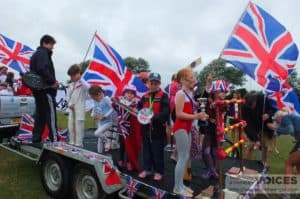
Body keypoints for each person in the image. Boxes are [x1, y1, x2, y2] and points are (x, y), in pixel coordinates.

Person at [172, 67, 208, 197]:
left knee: (185, 157)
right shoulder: (180, 94)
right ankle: (177, 187)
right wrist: (196, 117)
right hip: (180, 128)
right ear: (182, 80)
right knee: (182, 158)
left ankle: (180, 185)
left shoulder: (189, 93)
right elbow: (179, 114)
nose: (194, 79)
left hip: (186, 128)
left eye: (193, 76)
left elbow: (190, 112)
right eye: (191, 76)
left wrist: (200, 115)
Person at [138, 72, 170, 181]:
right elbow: (139, 110)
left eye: (156, 83)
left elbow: (166, 112)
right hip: (145, 129)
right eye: (152, 83)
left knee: (157, 151)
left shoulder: (164, 96)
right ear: (148, 83)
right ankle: (147, 169)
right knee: (146, 151)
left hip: (158, 129)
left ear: (159, 84)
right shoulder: (144, 97)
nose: (153, 85)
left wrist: (154, 118)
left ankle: (159, 171)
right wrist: (140, 114)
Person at [30, 35, 58, 144]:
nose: (52, 47)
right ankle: (54, 139)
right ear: (45, 43)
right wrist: (52, 82)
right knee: (50, 114)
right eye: (52, 44)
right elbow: (43, 69)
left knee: (40, 115)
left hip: (38, 90)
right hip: (46, 89)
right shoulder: (43, 53)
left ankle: (36, 138)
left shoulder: (35, 55)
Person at [201, 80, 230, 179]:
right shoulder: (208, 101)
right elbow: (204, 109)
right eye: (218, 91)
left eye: (223, 91)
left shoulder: (224, 103)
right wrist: (209, 117)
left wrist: (219, 103)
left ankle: (213, 170)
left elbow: (224, 108)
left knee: (214, 152)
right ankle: (211, 170)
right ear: (213, 92)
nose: (221, 93)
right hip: (209, 130)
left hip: (219, 132)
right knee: (206, 152)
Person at [241, 92, 276, 168]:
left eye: (253, 105)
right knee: (251, 145)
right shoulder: (244, 107)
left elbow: (272, 109)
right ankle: (247, 163)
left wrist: (268, 114)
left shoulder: (263, 99)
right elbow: (248, 125)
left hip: (265, 125)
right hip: (253, 125)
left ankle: (263, 161)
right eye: (249, 106)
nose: (252, 108)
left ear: (255, 100)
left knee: (265, 146)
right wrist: (255, 139)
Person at [113, 85, 141, 171]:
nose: (130, 95)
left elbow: (138, 114)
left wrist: (136, 110)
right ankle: (121, 160)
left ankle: (129, 162)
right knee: (122, 145)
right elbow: (115, 107)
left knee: (130, 145)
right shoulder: (119, 101)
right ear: (124, 94)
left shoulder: (136, 103)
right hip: (122, 126)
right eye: (128, 93)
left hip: (130, 127)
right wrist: (114, 102)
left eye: (132, 93)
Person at [274, 110, 300, 197]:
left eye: (276, 120)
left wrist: (275, 128)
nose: (277, 122)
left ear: (279, 117)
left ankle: (286, 192)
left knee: (289, 163)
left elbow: (290, 129)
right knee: (298, 165)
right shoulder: (293, 117)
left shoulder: (285, 117)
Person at [89, 85, 115, 153]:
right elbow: (94, 109)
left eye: (95, 97)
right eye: (93, 98)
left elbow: (112, 108)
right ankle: (99, 153)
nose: (94, 99)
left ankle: (108, 141)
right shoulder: (95, 100)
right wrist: (92, 115)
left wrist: (105, 116)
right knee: (100, 139)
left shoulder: (106, 99)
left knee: (97, 133)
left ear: (100, 93)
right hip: (100, 122)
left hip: (108, 122)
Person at [66, 64, 87, 147]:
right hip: (72, 110)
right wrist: (70, 104)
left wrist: (81, 79)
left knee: (79, 128)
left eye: (72, 75)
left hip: (79, 110)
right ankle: (71, 142)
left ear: (77, 74)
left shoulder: (83, 84)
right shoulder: (71, 85)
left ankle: (79, 144)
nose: (71, 78)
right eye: (70, 76)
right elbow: (67, 96)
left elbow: (89, 88)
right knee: (71, 127)